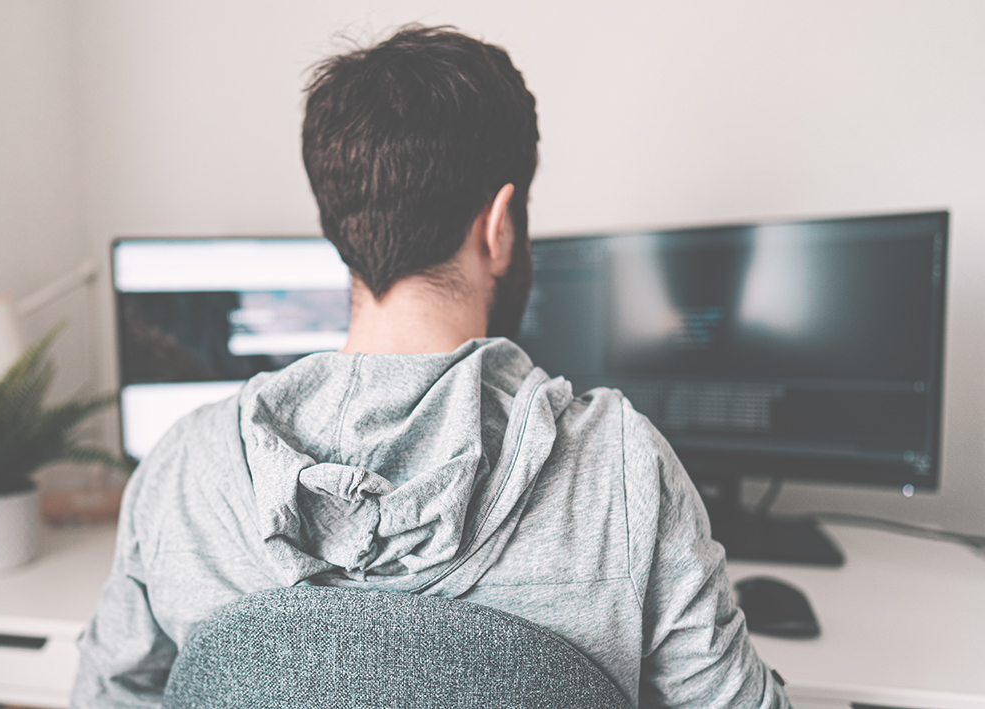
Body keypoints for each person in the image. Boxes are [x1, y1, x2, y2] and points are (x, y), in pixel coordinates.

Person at [72, 25, 789, 708]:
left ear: (339, 225)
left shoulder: (180, 473)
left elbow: (107, 696)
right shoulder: (620, 470)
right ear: (498, 225)